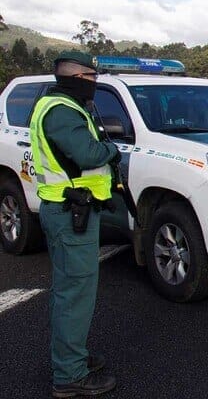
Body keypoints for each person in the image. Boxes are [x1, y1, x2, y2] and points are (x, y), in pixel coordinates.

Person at [30, 51, 119, 397]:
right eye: (91, 78)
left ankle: (69, 357)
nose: (95, 84)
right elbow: (88, 154)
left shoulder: (57, 105)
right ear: (76, 77)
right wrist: (111, 152)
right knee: (75, 294)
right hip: (70, 214)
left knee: (67, 290)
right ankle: (69, 375)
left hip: (68, 210)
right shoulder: (61, 111)